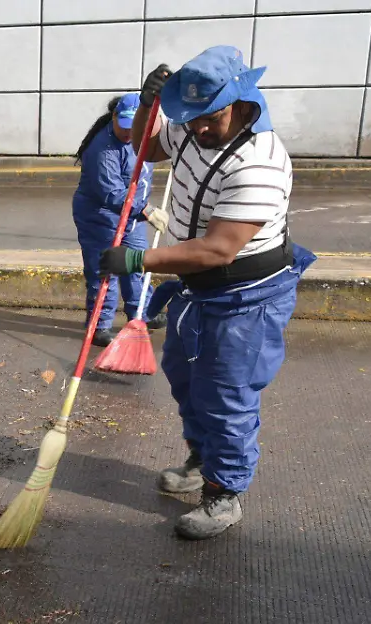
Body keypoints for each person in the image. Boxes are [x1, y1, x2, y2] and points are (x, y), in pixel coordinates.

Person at [100, 46, 316, 540]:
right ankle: (203, 458)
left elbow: (219, 248)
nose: (197, 127)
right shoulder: (194, 123)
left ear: (241, 100)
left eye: (208, 115)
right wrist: (150, 110)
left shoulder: (260, 162)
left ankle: (223, 495)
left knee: (226, 394)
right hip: (194, 288)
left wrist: (139, 260)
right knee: (186, 379)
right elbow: (147, 150)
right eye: (189, 115)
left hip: (245, 295)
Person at [71, 93, 168, 346]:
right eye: (123, 126)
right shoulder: (102, 148)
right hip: (99, 217)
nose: (128, 133)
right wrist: (146, 210)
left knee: (136, 263)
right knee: (106, 271)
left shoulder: (145, 137)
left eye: (132, 127)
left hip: (132, 215)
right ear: (113, 117)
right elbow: (111, 192)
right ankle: (99, 326)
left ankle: (141, 314)